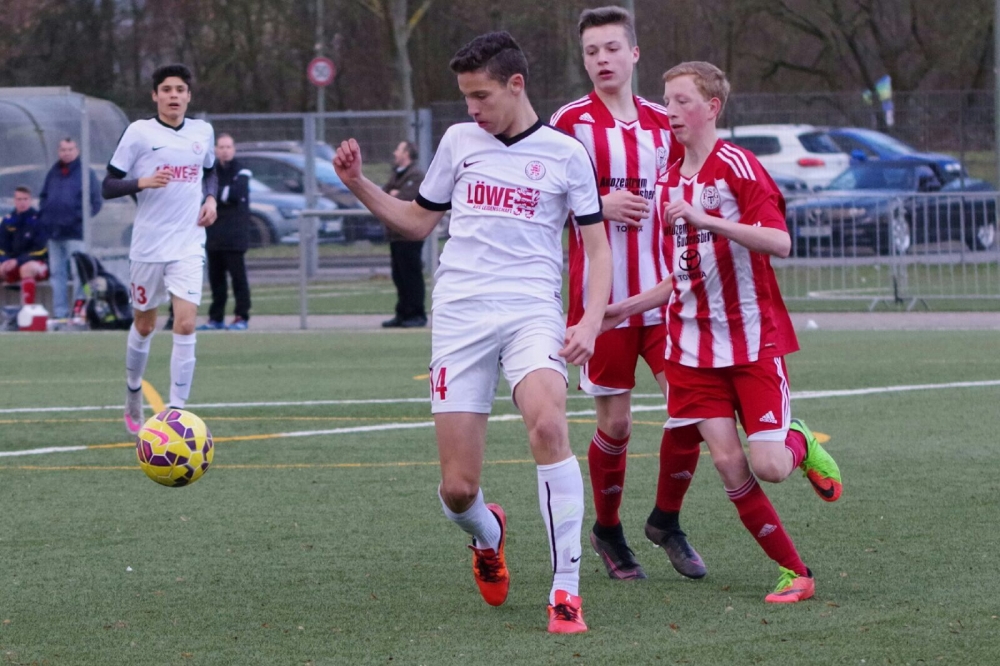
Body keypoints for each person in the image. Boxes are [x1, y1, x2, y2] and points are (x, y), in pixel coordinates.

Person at [333, 32, 611, 633]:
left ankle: (566, 592)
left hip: (531, 309)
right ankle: (488, 535)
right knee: (458, 489)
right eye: (465, 97)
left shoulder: (567, 153)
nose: (471, 108)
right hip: (460, 316)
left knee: (549, 424)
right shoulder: (459, 142)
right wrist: (357, 182)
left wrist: (590, 320)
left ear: (516, 84)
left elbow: (597, 246)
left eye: (481, 95)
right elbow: (416, 223)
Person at [603, 61, 843, 603]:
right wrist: (621, 310)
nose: (670, 111)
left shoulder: (738, 165)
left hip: (752, 341)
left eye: (682, 100)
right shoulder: (667, 184)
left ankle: (799, 441)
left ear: (712, 108)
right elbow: (683, 277)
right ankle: (796, 572)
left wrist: (707, 219)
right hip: (691, 350)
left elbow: (780, 243)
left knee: (769, 466)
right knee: (730, 462)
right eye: (666, 100)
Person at [550, 6, 696, 581]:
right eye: (592, 51)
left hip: (663, 299)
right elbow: (539, 200)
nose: (602, 59)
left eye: (612, 48)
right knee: (616, 426)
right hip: (603, 305)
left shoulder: (664, 122)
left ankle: (666, 519)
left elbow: (692, 185)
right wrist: (594, 206)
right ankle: (608, 530)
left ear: (634, 54)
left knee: (690, 410)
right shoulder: (568, 123)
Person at [102, 63, 218, 433]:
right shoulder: (139, 133)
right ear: (155, 95)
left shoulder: (202, 132)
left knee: (185, 323)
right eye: (166, 90)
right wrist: (142, 182)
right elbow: (108, 185)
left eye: (180, 90)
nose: (173, 96)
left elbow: (210, 170)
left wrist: (211, 198)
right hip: (148, 247)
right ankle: (133, 391)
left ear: (189, 96)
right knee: (145, 324)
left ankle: (176, 413)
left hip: (188, 243)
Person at [38, 137, 103, 321]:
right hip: (54, 233)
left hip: (76, 234)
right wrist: (45, 216)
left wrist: (79, 217)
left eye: (70, 149)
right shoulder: (54, 172)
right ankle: (60, 313)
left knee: (79, 273)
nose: (66, 153)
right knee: (57, 273)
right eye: (63, 149)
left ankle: (77, 312)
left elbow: (96, 202)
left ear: (77, 151)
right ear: (58, 151)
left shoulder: (85, 173)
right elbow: (44, 196)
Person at [199, 133, 252, 331]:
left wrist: (215, 195)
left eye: (228, 147)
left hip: (235, 237)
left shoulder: (242, 170)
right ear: (215, 149)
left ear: (234, 149)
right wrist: (218, 195)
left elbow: (236, 194)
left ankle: (241, 316)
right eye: (221, 147)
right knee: (216, 280)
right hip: (214, 235)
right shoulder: (211, 171)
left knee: (238, 279)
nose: (225, 151)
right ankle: (216, 318)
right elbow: (204, 192)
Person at [381, 140, 427, 328]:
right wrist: (391, 194)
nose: (395, 153)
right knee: (399, 275)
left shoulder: (416, 175)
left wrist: (395, 194)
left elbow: (407, 198)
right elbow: (384, 194)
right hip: (395, 233)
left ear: (407, 153)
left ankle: (417, 314)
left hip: (410, 234)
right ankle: (402, 313)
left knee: (411, 275)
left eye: (398, 150)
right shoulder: (396, 174)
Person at [0, 187, 49, 305]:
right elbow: (2, 247)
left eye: (25, 199)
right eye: (19, 199)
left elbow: (41, 250)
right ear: (14, 201)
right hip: (12, 264)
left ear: (30, 200)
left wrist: (18, 261)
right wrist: (5, 261)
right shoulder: (7, 221)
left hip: (37, 264)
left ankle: (28, 309)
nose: (22, 202)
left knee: (26, 268)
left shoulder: (39, 220)